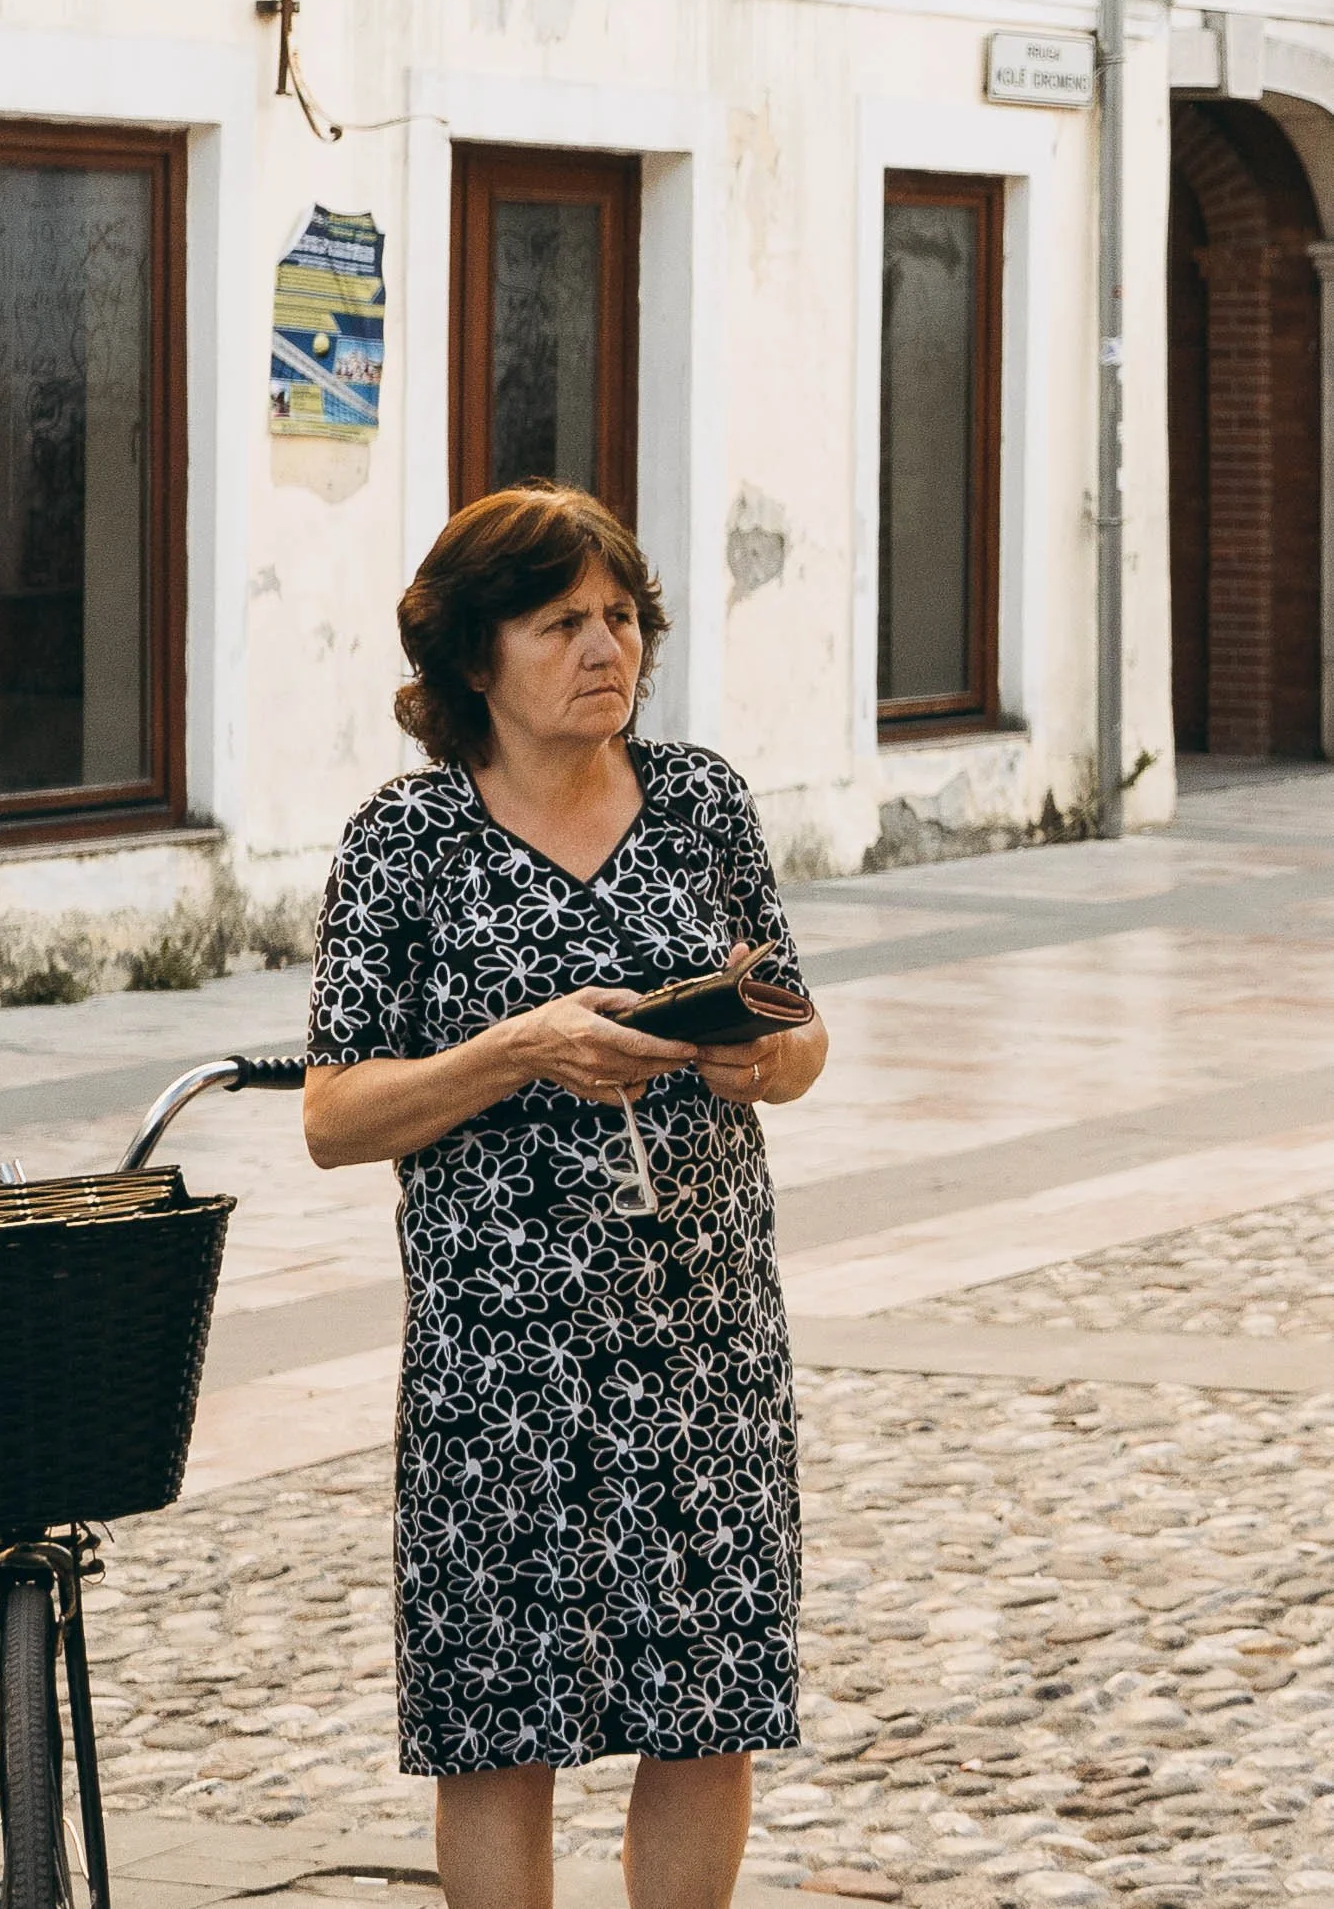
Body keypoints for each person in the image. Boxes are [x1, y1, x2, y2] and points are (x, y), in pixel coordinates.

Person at [303, 483, 829, 1909]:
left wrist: (766, 1062)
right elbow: (335, 1115)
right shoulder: (406, 842)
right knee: (496, 1728)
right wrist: (517, 1048)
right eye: (560, 624)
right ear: (474, 657)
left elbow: (802, 1029)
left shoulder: (703, 801)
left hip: (702, 1337)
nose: (605, 649)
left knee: (708, 1707)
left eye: (620, 620)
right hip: (501, 1359)